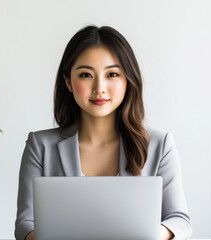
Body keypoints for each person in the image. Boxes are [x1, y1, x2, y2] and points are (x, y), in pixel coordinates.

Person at [15, 25, 192, 240]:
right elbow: (25, 224)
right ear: (68, 81)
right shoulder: (40, 146)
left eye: (113, 74)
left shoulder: (160, 144)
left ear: (128, 80)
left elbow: (179, 220)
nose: (100, 87)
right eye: (86, 74)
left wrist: (148, 234)